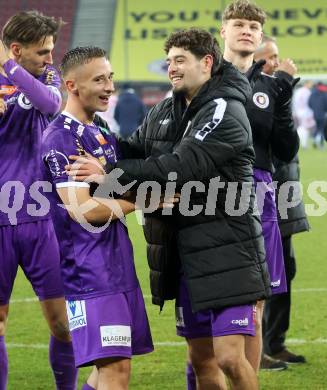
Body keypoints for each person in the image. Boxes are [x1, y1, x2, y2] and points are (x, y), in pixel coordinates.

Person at [66, 28, 271, 390]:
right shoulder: (166, 107)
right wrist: (79, 130)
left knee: (229, 358)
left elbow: (181, 167)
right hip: (184, 255)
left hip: (229, 252)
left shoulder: (225, 108)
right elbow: (132, 148)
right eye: (168, 62)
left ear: (206, 63)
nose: (171, 69)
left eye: (180, 61)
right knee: (201, 360)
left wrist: (109, 174)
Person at [42, 46, 154, 390]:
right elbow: (83, 210)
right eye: (99, 79)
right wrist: (143, 201)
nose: (109, 87)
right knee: (114, 371)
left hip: (115, 263)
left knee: (112, 370)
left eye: (110, 78)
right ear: (72, 85)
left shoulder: (99, 131)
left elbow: (116, 184)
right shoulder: (62, 137)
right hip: (89, 272)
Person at [221, 0, 300, 373]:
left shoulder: (269, 87)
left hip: (261, 190)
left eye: (253, 26)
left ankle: (251, 375)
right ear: (223, 31)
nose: (247, 30)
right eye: (239, 23)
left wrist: (282, 104)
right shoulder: (208, 78)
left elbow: (286, 148)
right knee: (214, 297)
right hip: (215, 194)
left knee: (256, 302)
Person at [0, 11, 77, 389]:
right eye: (42, 51)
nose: (51, 58)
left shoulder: (46, 77)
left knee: (62, 324)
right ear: (18, 49)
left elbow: (50, 104)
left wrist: (9, 69)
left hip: (42, 217)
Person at [254, 37, 310, 366]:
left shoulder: (279, 94)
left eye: (276, 56)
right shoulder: (257, 98)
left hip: (285, 193)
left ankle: (275, 342)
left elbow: (290, 147)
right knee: (262, 274)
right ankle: (258, 348)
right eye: (270, 57)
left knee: (285, 271)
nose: (278, 62)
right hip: (262, 196)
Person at [292, 80, 316, 149]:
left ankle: (299, 142)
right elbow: (309, 103)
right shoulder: (307, 92)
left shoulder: (298, 91)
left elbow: (294, 102)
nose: (311, 86)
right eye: (310, 84)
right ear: (307, 84)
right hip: (305, 112)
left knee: (302, 127)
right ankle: (302, 143)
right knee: (304, 128)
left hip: (298, 111)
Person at [308, 82, 327, 148]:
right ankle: (321, 143)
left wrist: (314, 109)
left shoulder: (312, 93)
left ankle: (314, 140)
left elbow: (309, 103)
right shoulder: (324, 93)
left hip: (315, 114)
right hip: (323, 114)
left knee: (317, 128)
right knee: (322, 129)